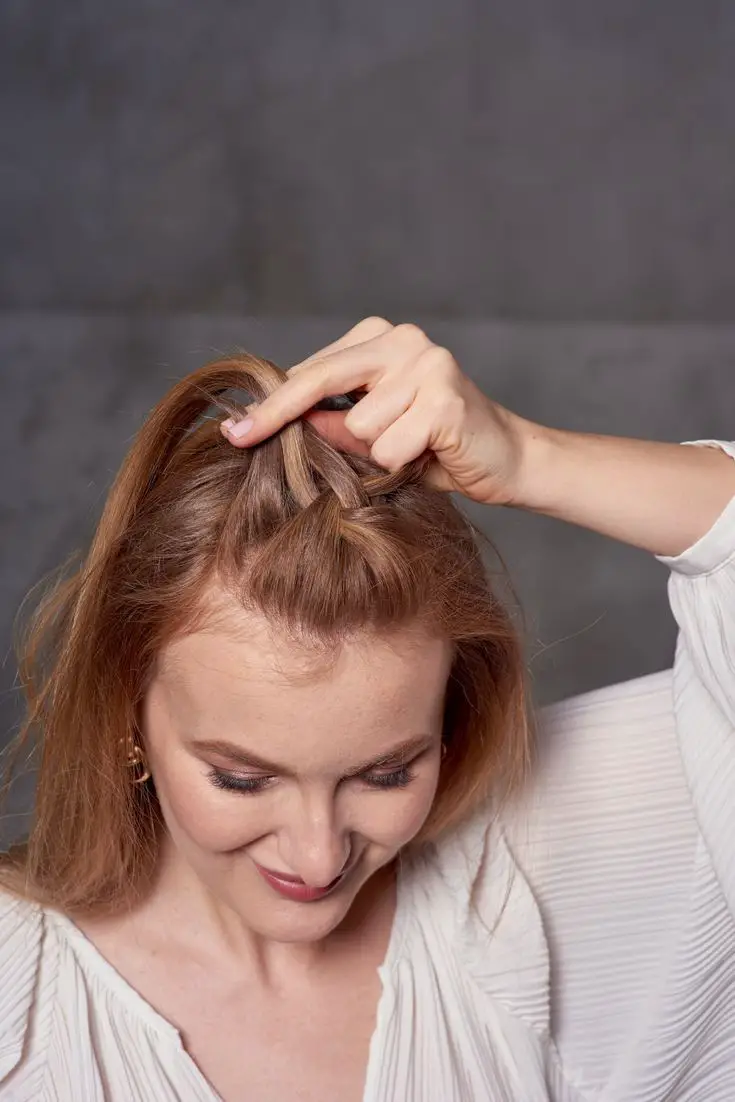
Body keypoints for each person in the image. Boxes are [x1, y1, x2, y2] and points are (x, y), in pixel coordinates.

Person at [0, 316, 733, 1102]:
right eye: (241, 780)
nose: (318, 858)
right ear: (126, 714)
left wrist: (529, 457)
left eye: (386, 773)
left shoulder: (526, 886)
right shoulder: (22, 998)